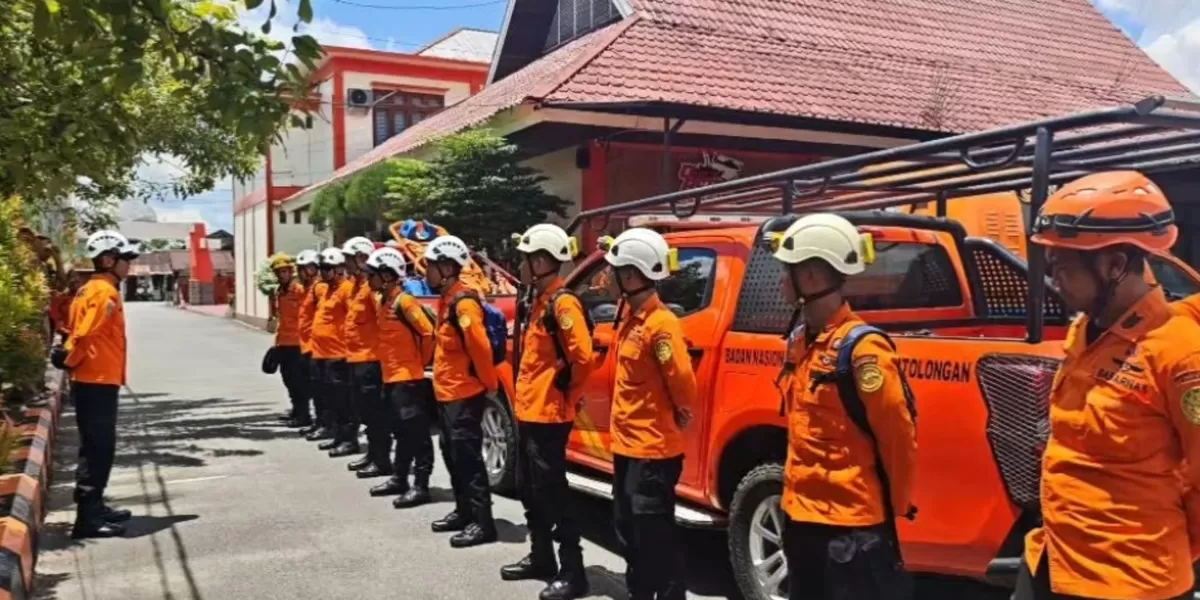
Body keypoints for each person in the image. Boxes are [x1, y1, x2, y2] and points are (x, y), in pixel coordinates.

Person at [1016, 171, 1200, 600]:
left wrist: (1167, 549)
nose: (1054, 279)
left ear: (1114, 265)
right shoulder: (1087, 329)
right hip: (1053, 558)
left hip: (1128, 578)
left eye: (1063, 266)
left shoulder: (1180, 352)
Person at [769, 213, 918, 600]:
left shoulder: (864, 351)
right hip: (802, 519)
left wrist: (896, 507)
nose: (782, 280)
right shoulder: (801, 341)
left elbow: (898, 435)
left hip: (849, 529)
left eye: (789, 271)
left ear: (813, 278)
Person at [600, 228, 697, 600]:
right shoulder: (632, 319)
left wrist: (682, 414)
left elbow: (683, 383)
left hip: (653, 450)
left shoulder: (661, 325)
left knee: (653, 532)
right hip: (628, 444)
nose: (607, 278)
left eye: (614, 270)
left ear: (631, 275)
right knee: (626, 526)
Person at [501, 224, 594, 600]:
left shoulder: (563, 303)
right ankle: (541, 557)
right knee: (529, 489)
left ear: (540, 261)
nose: (518, 265)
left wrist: (566, 391)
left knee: (553, 494)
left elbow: (583, 358)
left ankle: (573, 572)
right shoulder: (537, 301)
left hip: (549, 415)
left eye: (524, 259)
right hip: (529, 411)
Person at [49, 230, 138, 539]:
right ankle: (87, 518)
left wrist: (68, 358)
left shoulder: (89, 290)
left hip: (95, 379)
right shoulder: (104, 294)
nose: (130, 266)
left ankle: (96, 507)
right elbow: (83, 335)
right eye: (126, 260)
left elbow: (71, 328)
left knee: (97, 447)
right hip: (95, 380)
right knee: (98, 450)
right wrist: (68, 360)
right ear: (109, 260)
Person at [424, 234, 499, 548]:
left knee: (468, 458)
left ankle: (482, 523)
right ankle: (463, 510)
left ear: (446, 267)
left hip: (464, 394)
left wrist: (489, 384)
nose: (425, 273)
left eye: (429, 266)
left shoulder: (464, 303)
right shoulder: (447, 299)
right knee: (451, 453)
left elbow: (480, 349)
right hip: (447, 393)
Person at [363, 247, 437, 507]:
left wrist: (421, 362)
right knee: (400, 432)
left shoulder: (405, 302)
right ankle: (399, 477)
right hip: (391, 378)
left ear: (386, 275)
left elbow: (428, 334)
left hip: (407, 379)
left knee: (417, 433)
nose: (367, 279)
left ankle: (421, 485)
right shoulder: (384, 300)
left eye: (371, 274)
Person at [341, 237, 384, 467]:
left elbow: (383, 323)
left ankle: (381, 458)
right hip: (356, 359)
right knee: (365, 412)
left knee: (375, 415)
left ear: (361, 258)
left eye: (349, 259)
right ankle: (373, 455)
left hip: (371, 360)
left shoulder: (371, 289)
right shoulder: (356, 286)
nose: (345, 264)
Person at [308, 248, 355, 455]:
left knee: (343, 401)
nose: (323, 273)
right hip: (321, 354)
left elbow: (352, 321)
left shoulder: (346, 289)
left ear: (338, 269)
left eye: (327, 268)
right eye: (321, 269)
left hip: (338, 355)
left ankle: (349, 439)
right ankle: (337, 436)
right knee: (330, 401)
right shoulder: (325, 289)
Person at [269, 253, 311, 428]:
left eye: (285, 271)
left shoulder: (298, 290)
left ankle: (304, 415)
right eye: (279, 272)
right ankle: (296, 410)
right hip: (283, 342)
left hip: (297, 343)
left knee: (298, 381)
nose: (283, 275)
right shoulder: (280, 291)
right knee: (288, 379)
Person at [295, 250, 322, 435]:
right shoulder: (306, 289)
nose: (302, 272)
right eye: (301, 269)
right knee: (314, 388)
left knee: (322, 391)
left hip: (316, 347)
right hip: (306, 346)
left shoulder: (319, 288)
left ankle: (326, 424)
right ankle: (320, 422)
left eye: (305, 268)